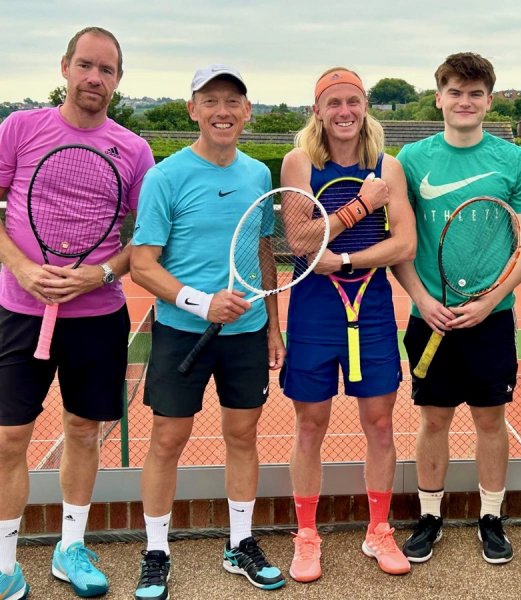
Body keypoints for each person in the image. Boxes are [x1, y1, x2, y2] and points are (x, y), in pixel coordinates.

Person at [0, 27, 154, 599]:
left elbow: (140, 243)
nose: (95, 78)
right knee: (9, 438)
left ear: (118, 80)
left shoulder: (134, 150)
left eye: (107, 70)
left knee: (84, 431)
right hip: (18, 311)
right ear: (65, 67)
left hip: (97, 317)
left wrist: (102, 273)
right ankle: (4, 560)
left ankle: (71, 547)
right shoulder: (19, 128)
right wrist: (19, 267)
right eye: (86, 65)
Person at [130, 65, 285, 599]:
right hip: (181, 332)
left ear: (247, 111)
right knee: (168, 440)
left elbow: (263, 249)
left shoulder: (256, 176)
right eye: (211, 100)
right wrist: (202, 303)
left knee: (242, 437)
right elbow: (143, 263)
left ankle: (240, 543)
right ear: (193, 109)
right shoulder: (165, 176)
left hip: (247, 332)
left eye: (233, 101)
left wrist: (273, 327)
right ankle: (155, 551)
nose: (223, 110)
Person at [393, 52, 521, 565]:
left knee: (489, 421)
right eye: (455, 91)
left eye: (475, 93)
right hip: (428, 318)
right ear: (439, 97)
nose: (465, 101)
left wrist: (492, 300)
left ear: (489, 100)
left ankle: (491, 517)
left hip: (490, 320)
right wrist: (421, 298)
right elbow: (400, 242)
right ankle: (430, 515)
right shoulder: (410, 161)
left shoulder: (513, 161)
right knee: (433, 420)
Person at [279, 67, 416, 582]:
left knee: (380, 423)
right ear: (317, 110)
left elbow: (404, 245)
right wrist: (363, 205)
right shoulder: (298, 163)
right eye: (333, 102)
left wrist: (350, 262)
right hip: (314, 310)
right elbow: (300, 241)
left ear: (365, 106)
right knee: (310, 425)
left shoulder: (389, 167)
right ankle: (307, 535)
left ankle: (378, 530)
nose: (344, 111)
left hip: (372, 307)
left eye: (353, 101)